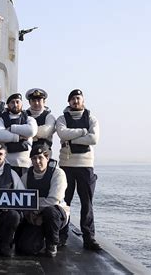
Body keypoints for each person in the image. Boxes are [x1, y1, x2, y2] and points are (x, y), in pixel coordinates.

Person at [56, 89, 101, 251]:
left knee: (86, 204)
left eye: (78, 98)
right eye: (73, 99)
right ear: (69, 102)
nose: (76, 101)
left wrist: (71, 137)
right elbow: (62, 133)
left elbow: (93, 138)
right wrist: (83, 132)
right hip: (66, 165)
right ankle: (62, 235)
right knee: (63, 202)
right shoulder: (62, 119)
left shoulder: (91, 119)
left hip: (85, 166)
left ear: (83, 100)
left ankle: (89, 238)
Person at [16, 144, 70, 257]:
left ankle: (52, 243)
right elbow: (21, 199)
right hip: (34, 216)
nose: (37, 161)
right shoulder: (26, 177)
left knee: (50, 211)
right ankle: (39, 238)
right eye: (34, 158)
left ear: (47, 158)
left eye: (40, 157)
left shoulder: (58, 174)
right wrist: (30, 214)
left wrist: (35, 210)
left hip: (56, 214)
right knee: (26, 248)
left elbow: (54, 200)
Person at [0, 93, 37, 176]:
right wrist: (18, 137)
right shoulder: (1, 119)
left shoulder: (29, 118)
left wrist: (11, 128)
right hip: (7, 162)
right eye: (12, 102)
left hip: (25, 163)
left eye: (17, 102)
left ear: (22, 104)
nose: (15, 105)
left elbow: (31, 131)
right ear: (8, 105)